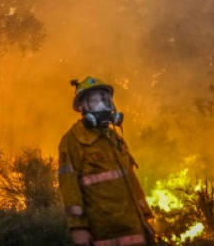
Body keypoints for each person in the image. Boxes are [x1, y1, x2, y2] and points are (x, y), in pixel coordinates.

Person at [58, 76, 156, 246]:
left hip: (134, 227)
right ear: (82, 107)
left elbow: (131, 180)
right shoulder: (73, 140)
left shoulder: (114, 138)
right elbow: (69, 186)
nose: (102, 106)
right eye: (94, 101)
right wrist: (78, 228)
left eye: (105, 100)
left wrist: (145, 216)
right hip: (103, 230)